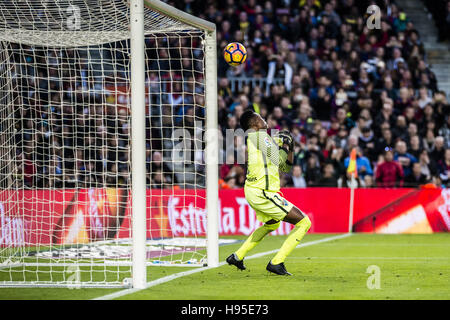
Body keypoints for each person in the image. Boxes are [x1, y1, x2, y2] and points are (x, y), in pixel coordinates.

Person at [226, 110, 311, 276]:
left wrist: (289, 147)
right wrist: (284, 144)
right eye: (260, 117)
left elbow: (285, 167)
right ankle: (277, 262)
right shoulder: (258, 136)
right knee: (304, 222)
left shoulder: (260, 139)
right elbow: (280, 160)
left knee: (273, 224)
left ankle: (238, 256)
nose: (264, 119)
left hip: (257, 191)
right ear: (254, 123)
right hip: (262, 192)